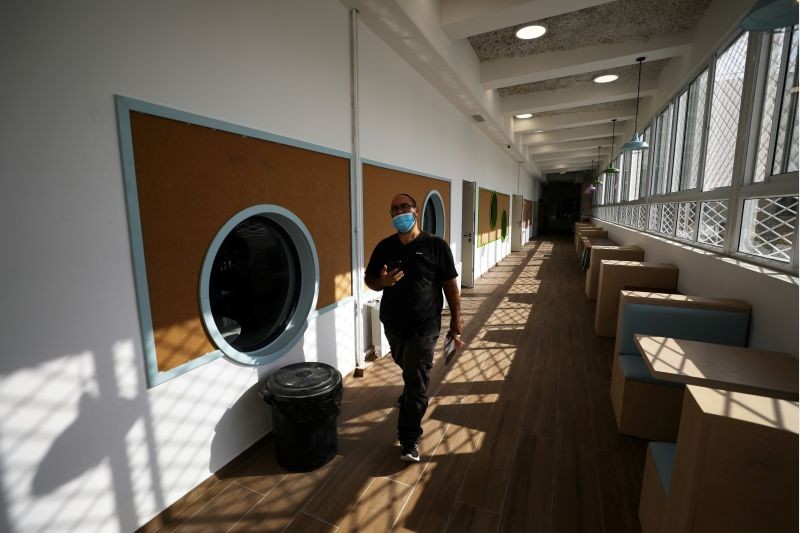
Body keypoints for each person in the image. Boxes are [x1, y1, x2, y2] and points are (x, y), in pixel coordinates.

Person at [364, 193, 464, 462]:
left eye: (404, 207)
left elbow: (450, 285)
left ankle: (408, 438)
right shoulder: (384, 247)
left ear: (416, 211)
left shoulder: (435, 245)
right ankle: (411, 391)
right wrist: (382, 283)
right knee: (406, 366)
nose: (399, 212)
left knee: (417, 378)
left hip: (425, 326)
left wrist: (456, 317)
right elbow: (370, 279)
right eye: (394, 209)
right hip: (393, 324)